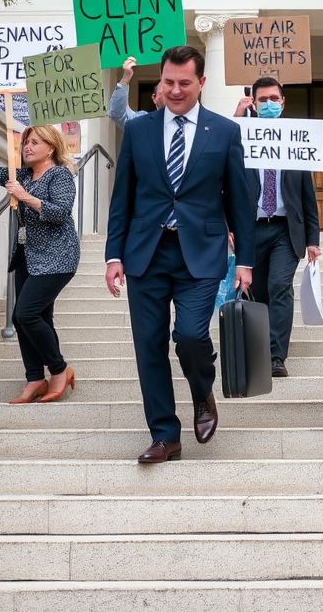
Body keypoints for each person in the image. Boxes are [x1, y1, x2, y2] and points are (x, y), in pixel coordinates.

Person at [105, 45, 254, 464]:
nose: (174, 90)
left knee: (190, 335)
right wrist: (113, 255)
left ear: (201, 83)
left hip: (201, 254)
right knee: (148, 346)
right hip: (145, 253)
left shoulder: (224, 132)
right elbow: (123, 198)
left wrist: (244, 261)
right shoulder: (139, 130)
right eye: (168, 82)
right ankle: (165, 436)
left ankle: (202, 390)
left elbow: (240, 202)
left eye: (184, 83)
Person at [0, 106, 80, 404]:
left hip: (57, 256)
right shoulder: (21, 175)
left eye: (34, 142)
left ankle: (60, 369)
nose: (27, 146)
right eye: (25, 142)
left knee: (23, 314)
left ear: (51, 148)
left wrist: (24, 196)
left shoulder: (60, 175)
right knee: (39, 317)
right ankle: (35, 379)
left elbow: (60, 213)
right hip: (28, 255)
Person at [232, 76, 321, 378]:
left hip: (286, 229)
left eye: (274, 99)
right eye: (262, 100)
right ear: (253, 103)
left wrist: (313, 237)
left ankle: (276, 356)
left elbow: (307, 194)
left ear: (283, 103)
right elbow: (223, 184)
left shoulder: (297, 138)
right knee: (258, 292)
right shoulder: (240, 137)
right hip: (251, 229)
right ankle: (258, 348)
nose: (268, 104)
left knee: (279, 287)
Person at [108, 55, 163, 129]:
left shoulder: (183, 122)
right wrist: (126, 77)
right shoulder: (144, 122)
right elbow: (117, 114)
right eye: (163, 91)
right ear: (154, 98)